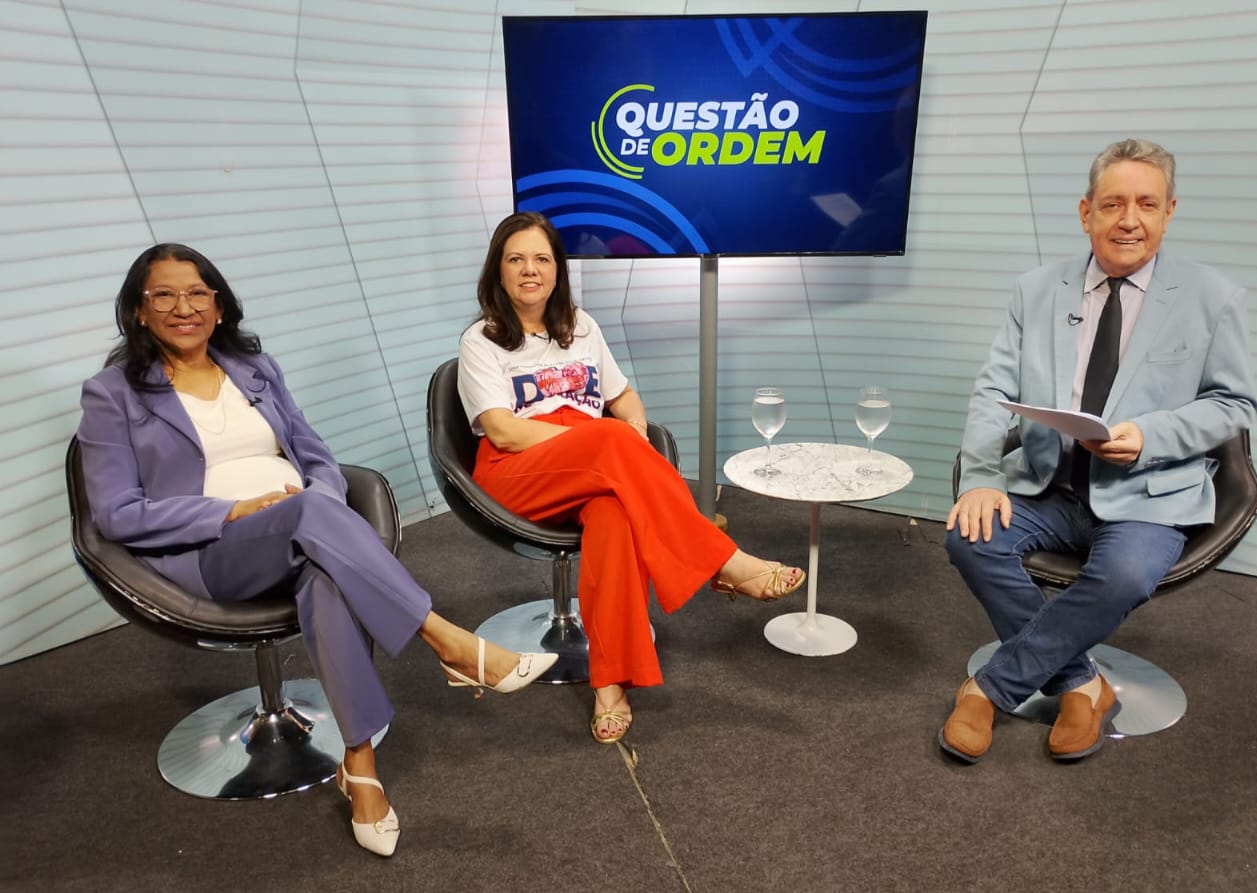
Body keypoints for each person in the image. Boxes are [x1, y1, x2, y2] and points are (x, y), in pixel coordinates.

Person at [77, 243, 558, 857]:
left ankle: (360, 769)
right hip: (209, 550)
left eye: (197, 293)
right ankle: (446, 640)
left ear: (219, 306)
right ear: (139, 311)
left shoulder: (253, 368)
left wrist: (317, 499)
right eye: (163, 295)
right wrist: (234, 510)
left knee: (321, 563)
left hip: (300, 530)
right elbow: (117, 513)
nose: (183, 307)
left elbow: (316, 458)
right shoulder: (113, 393)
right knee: (307, 515)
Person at [940, 139, 1257, 763]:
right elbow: (994, 388)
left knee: (1127, 574)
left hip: (1149, 495)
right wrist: (980, 476)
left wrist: (1152, 436)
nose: (1128, 220)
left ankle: (992, 689)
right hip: (1048, 483)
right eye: (1112, 204)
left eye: (1145, 204)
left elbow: (1233, 406)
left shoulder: (1212, 297)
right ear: (1086, 212)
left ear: (1169, 211)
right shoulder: (1036, 289)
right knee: (968, 538)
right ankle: (1082, 683)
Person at [456, 211, 806, 745]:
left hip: (594, 461)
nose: (530, 270)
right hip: (518, 472)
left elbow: (622, 398)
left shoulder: (581, 325)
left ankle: (610, 686)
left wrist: (633, 432)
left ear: (558, 270)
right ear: (497, 271)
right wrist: (601, 441)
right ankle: (724, 560)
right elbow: (503, 432)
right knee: (612, 440)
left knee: (615, 518)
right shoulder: (482, 341)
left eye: (542, 259)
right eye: (516, 259)